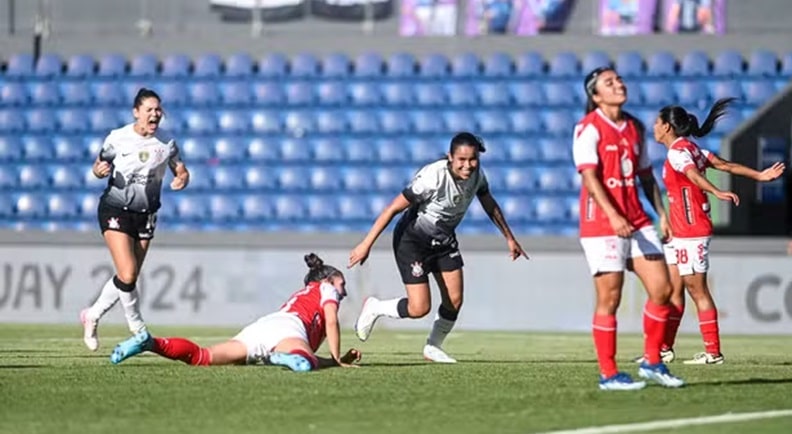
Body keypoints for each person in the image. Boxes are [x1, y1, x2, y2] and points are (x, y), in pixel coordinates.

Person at [348, 132, 528, 363]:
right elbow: (393, 208)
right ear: (450, 157)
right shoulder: (432, 177)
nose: (467, 165)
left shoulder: (478, 177)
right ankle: (376, 307)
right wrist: (366, 244)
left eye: (472, 159)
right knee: (419, 308)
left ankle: (433, 347)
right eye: (461, 159)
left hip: (443, 241)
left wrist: (509, 238)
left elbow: (489, 203)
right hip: (412, 241)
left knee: (454, 300)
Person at [635, 98, 785, 366]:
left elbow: (692, 175)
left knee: (698, 291)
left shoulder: (679, 154)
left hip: (691, 231)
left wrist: (714, 190)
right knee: (672, 291)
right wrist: (759, 176)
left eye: (658, 122)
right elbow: (726, 165)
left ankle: (713, 352)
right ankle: (664, 348)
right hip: (680, 232)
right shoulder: (693, 149)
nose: (654, 127)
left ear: (668, 127)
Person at [572, 67, 684, 390]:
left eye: (619, 79)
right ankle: (608, 374)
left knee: (663, 289)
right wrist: (613, 215)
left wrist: (662, 214)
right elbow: (590, 178)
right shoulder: (588, 128)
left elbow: (646, 176)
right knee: (610, 297)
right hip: (602, 223)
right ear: (596, 96)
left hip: (636, 219)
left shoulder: (634, 127)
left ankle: (652, 362)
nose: (619, 84)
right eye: (609, 82)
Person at [109, 253, 363, 371]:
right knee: (305, 363)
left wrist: (336, 361)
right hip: (289, 329)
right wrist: (338, 357)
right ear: (329, 280)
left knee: (203, 356)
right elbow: (331, 321)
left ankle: (150, 343)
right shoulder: (326, 289)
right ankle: (278, 357)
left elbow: (316, 355)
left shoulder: (305, 293)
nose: (344, 291)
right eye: (342, 284)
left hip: (261, 327)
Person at [80, 88, 190, 352]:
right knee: (128, 273)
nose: (155, 114)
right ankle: (137, 326)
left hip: (147, 213)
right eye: (149, 110)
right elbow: (98, 167)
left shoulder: (167, 143)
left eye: (158, 110)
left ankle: (92, 314)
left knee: (127, 276)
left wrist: (182, 178)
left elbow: (182, 169)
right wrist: (99, 170)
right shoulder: (118, 138)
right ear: (136, 113)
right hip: (115, 208)